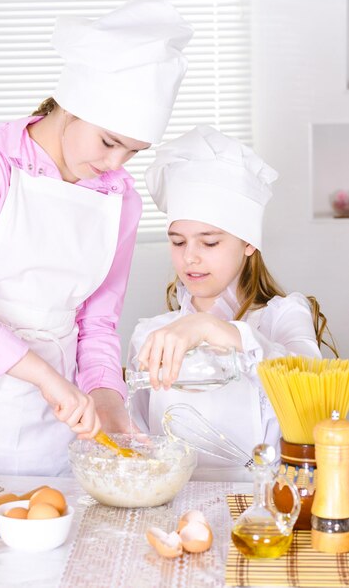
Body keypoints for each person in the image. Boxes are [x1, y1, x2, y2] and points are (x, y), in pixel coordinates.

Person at [0, 0, 193, 476]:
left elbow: (97, 324)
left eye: (133, 152)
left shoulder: (121, 201)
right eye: (109, 142)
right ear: (70, 105)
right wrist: (42, 375)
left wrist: (108, 401)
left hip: (52, 424)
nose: (116, 165)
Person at [127, 125, 336, 479]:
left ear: (249, 242)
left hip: (262, 512)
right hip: (175, 510)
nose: (189, 258)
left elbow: (309, 392)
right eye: (178, 242)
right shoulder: (153, 334)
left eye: (209, 243)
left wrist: (208, 326)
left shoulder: (283, 317)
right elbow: (136, 437)